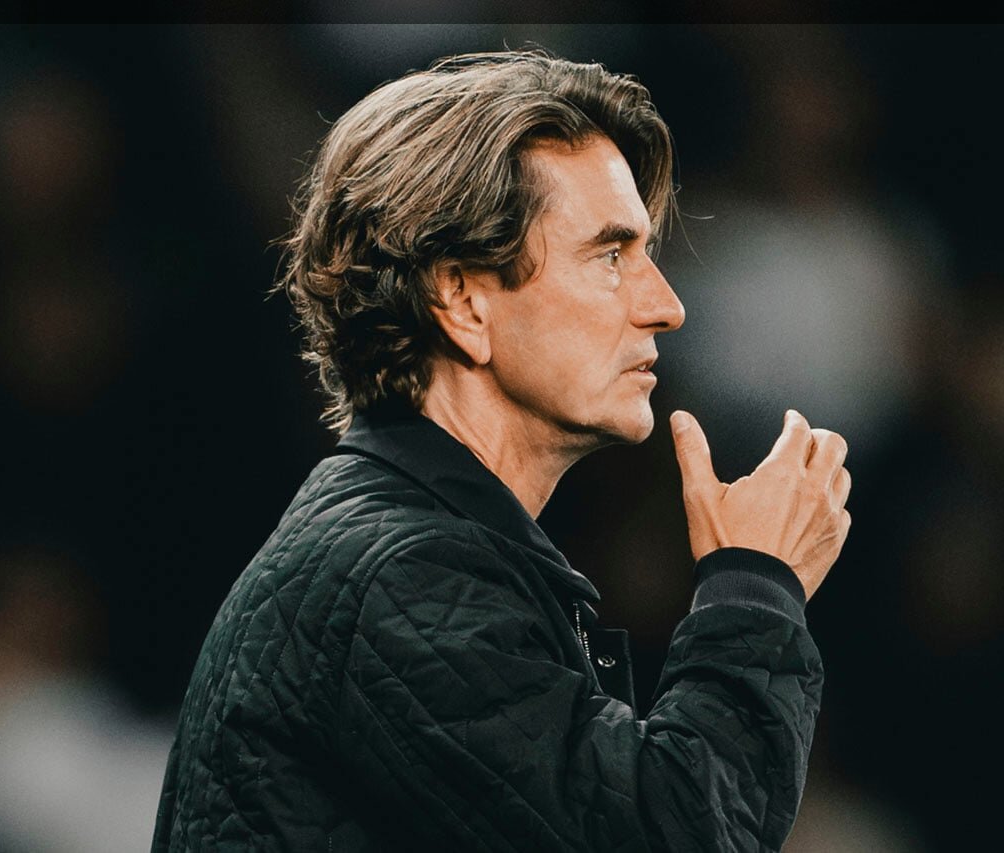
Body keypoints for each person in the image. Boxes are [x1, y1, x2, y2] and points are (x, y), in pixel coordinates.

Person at [152, 50, 851, 851]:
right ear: (462, 300)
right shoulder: (401, 576)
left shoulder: (411, 554)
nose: (666, 305)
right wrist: (755, 588)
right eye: (611, 255)